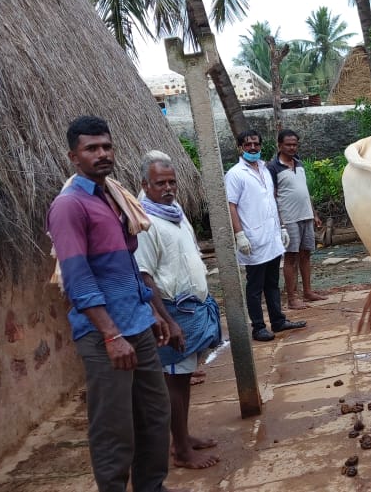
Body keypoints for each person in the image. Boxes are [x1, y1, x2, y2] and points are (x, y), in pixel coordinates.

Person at [46, 115, 187, 492]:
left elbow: (127, 266)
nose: (102, 154)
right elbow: (77, 278)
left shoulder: (113, 196)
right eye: (92, 148)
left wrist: (153, 311)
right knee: (114, 428)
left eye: (106, 146)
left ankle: (151, 486)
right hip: (104, 335)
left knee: (155, 417)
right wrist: (111, 334)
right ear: (74, 157)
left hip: (137, 326)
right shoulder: (69, 206)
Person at [134, 151, 222, 470]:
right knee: (173, 382)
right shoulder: (144, 221)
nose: (168, 188)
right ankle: (182, 450)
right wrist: (168, 321)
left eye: (172, 182)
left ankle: (183, 437)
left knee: (183, 378)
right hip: (173, 310)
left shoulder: (173, 210)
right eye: (160, 183)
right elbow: (144, 275)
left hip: (190, 307)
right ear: (145, 184)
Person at [225, 130, 307, 342]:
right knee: (255, 286)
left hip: (271, 235)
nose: (252, 148)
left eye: (256, 144)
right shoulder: (235, 174)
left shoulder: (265, 169)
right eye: (248, 145)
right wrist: (240, 235)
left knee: (272, 282)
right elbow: (231, 206)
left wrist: (281, 227)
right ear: (240, 148)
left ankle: (277, 320)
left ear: (261, 146)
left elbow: (272, 200)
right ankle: (258, 327)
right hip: (252, 238)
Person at [267, 129, 326, 310]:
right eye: (288, 144)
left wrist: (314, 213)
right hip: (289, 218)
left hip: (306, 215)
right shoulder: (273, 167)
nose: (292, 147)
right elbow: (272, 195)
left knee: (306, 254)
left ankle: (307, 291)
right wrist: (280, 222)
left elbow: (304, 191)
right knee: (291, 257)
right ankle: (292, 297)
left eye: (295, 144)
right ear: (280, 145)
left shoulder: (299, 164)